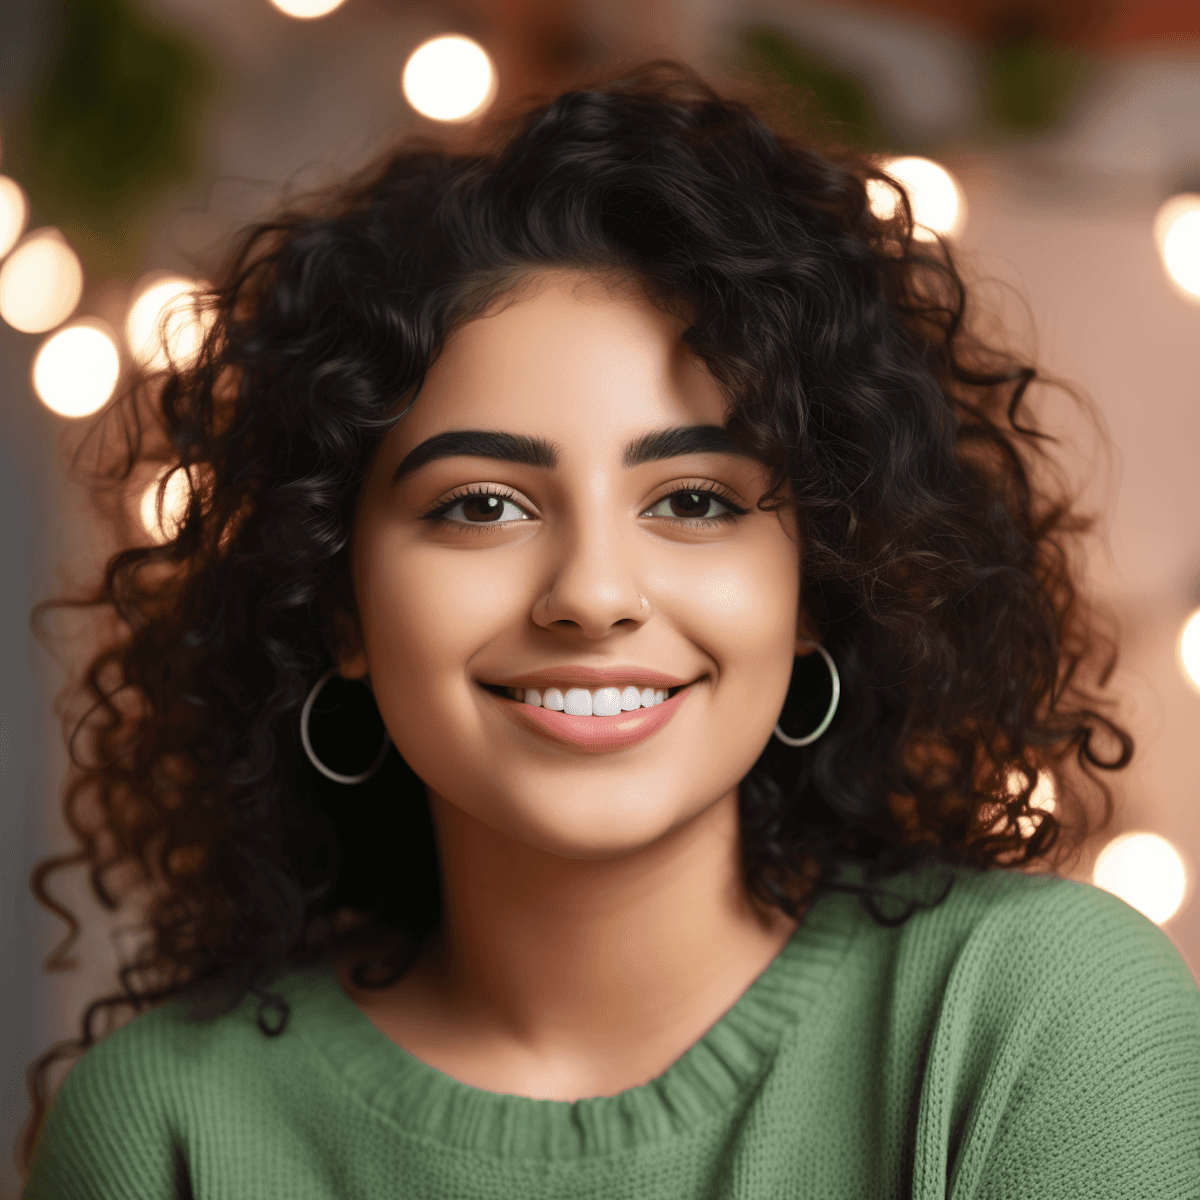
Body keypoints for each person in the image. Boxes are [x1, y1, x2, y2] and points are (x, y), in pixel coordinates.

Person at [20, 62, 1200, 1198]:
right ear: (335, 605)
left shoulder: (1036, 1017)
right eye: (481, 505)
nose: (592, 593)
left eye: (694, 501)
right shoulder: (163, 1129)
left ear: (816, 592)